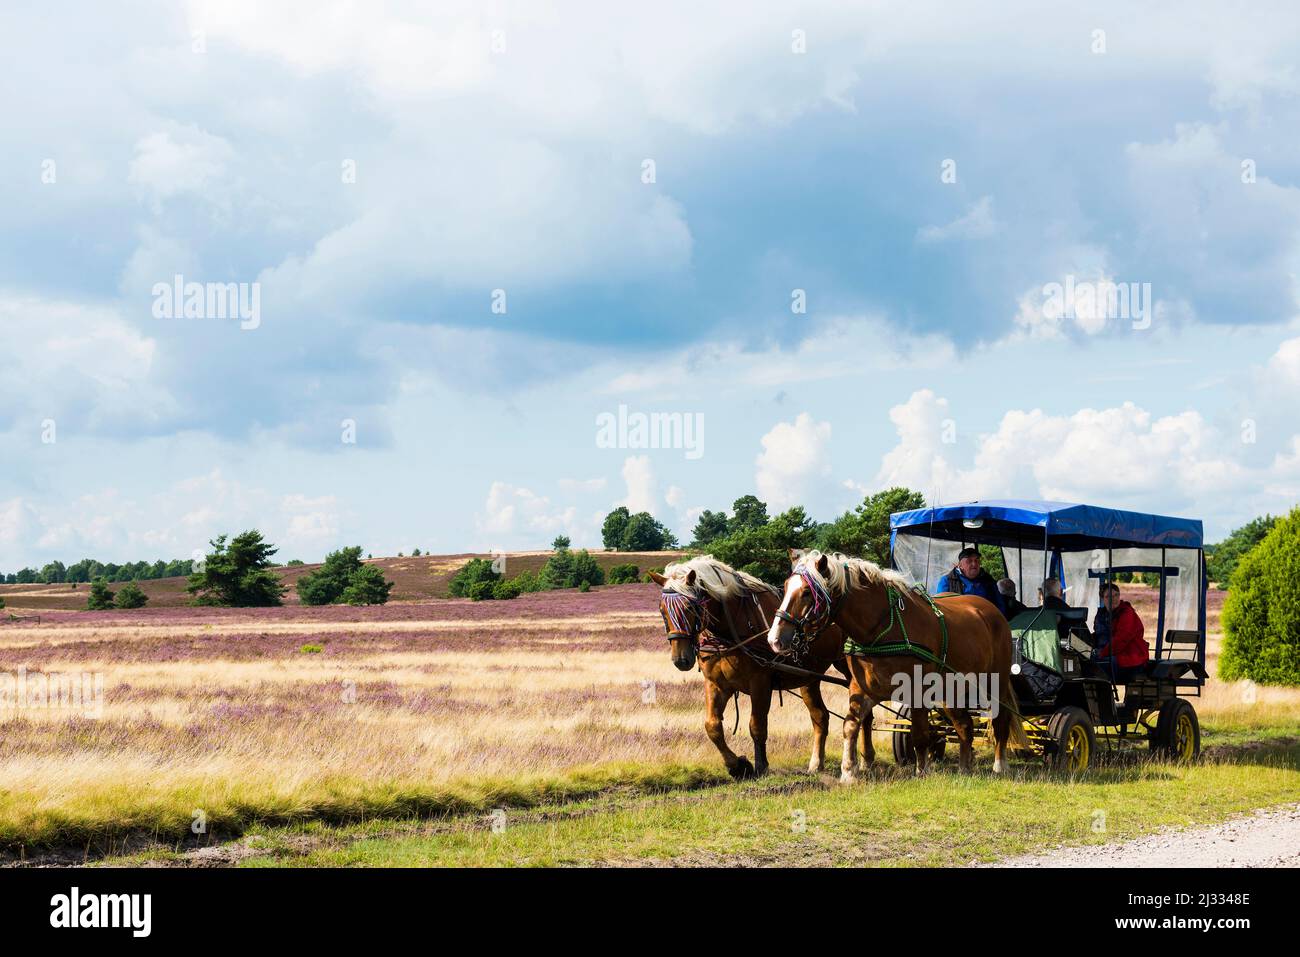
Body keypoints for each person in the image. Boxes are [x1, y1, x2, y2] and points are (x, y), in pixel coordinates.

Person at [1092, 583, 1149, 679]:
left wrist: (1101, 653)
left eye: (1116, 595)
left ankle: (1103, 692)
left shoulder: (1126, 613)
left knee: (1099, 666)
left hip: (1130, 657)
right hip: (1112, 654)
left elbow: (1121, 639)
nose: (1113, 599)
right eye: (1108, 596)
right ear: (1102, 599)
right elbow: (1099, 635)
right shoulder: (1101, 615)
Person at [936, 547, 1004, 613]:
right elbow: (941, 606)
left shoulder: (988, 580)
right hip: (959, 622)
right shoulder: (947, 581)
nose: (974, 564)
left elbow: (1000, 606)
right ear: (960, 565)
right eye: (969, 561)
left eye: (977, 560)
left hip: (986, 621)